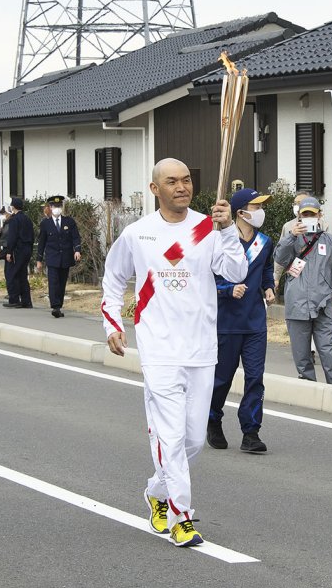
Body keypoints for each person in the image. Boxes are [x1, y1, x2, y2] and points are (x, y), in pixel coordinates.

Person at [101, 158, 247, 548]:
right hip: (159, 349)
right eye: (172, 181)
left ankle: (157, 492)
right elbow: (113, 279)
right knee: (170, 433)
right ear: (155, 189)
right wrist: (112, 323)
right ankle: (182, 517)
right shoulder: (137, 234)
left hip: (201, 348)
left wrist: (229, 229)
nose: (182, 187)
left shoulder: (208, 228)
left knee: (194, 440)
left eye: (186, 180)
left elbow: (236, 273)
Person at [207, 188, 275, 453]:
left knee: (255, 378)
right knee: (221, 379)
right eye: (255, 206)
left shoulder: (265, 242)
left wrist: (268, 287)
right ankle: (213, 420)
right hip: (226, 322)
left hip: (255, 322)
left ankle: (251, 432)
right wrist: (227, 289)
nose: (260, 211)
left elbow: (266, 268)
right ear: (240, 212)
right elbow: (206, 280)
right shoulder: (218, 241)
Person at [274, 196, 332, 385]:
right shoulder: (291, 238)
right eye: (305, 214)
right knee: (301, 351)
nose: (309, 218)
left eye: (312, 215)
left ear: (319, 215)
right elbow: (280, 259)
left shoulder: (330, 241)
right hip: (297, 302)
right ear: (299, 216)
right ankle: (307, 384)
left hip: (322, 302)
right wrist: (291, 236)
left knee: (328, 346)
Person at [36, 195, 82, 318]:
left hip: (65, 257)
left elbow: (75, 237)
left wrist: (77, 250)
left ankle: (59, 306)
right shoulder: (45, 223)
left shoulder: (69, 221)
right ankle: (55, 306)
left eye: (59, 206)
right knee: (53, 282)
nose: (57, 208)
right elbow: (42, 242)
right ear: (50, 208)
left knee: (61, 283)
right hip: (52, 258)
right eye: (55, 206)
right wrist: (39, 259)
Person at [3, 197, 34, 309]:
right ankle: (26, 301)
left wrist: (9, 251)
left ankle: (14, 299)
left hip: (17, 249)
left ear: (13, 207)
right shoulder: (27, 219)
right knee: (22, 275)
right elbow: (32, 235)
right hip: (27, 248)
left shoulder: (14, 220)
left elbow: (12, 237)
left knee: (12, 274)